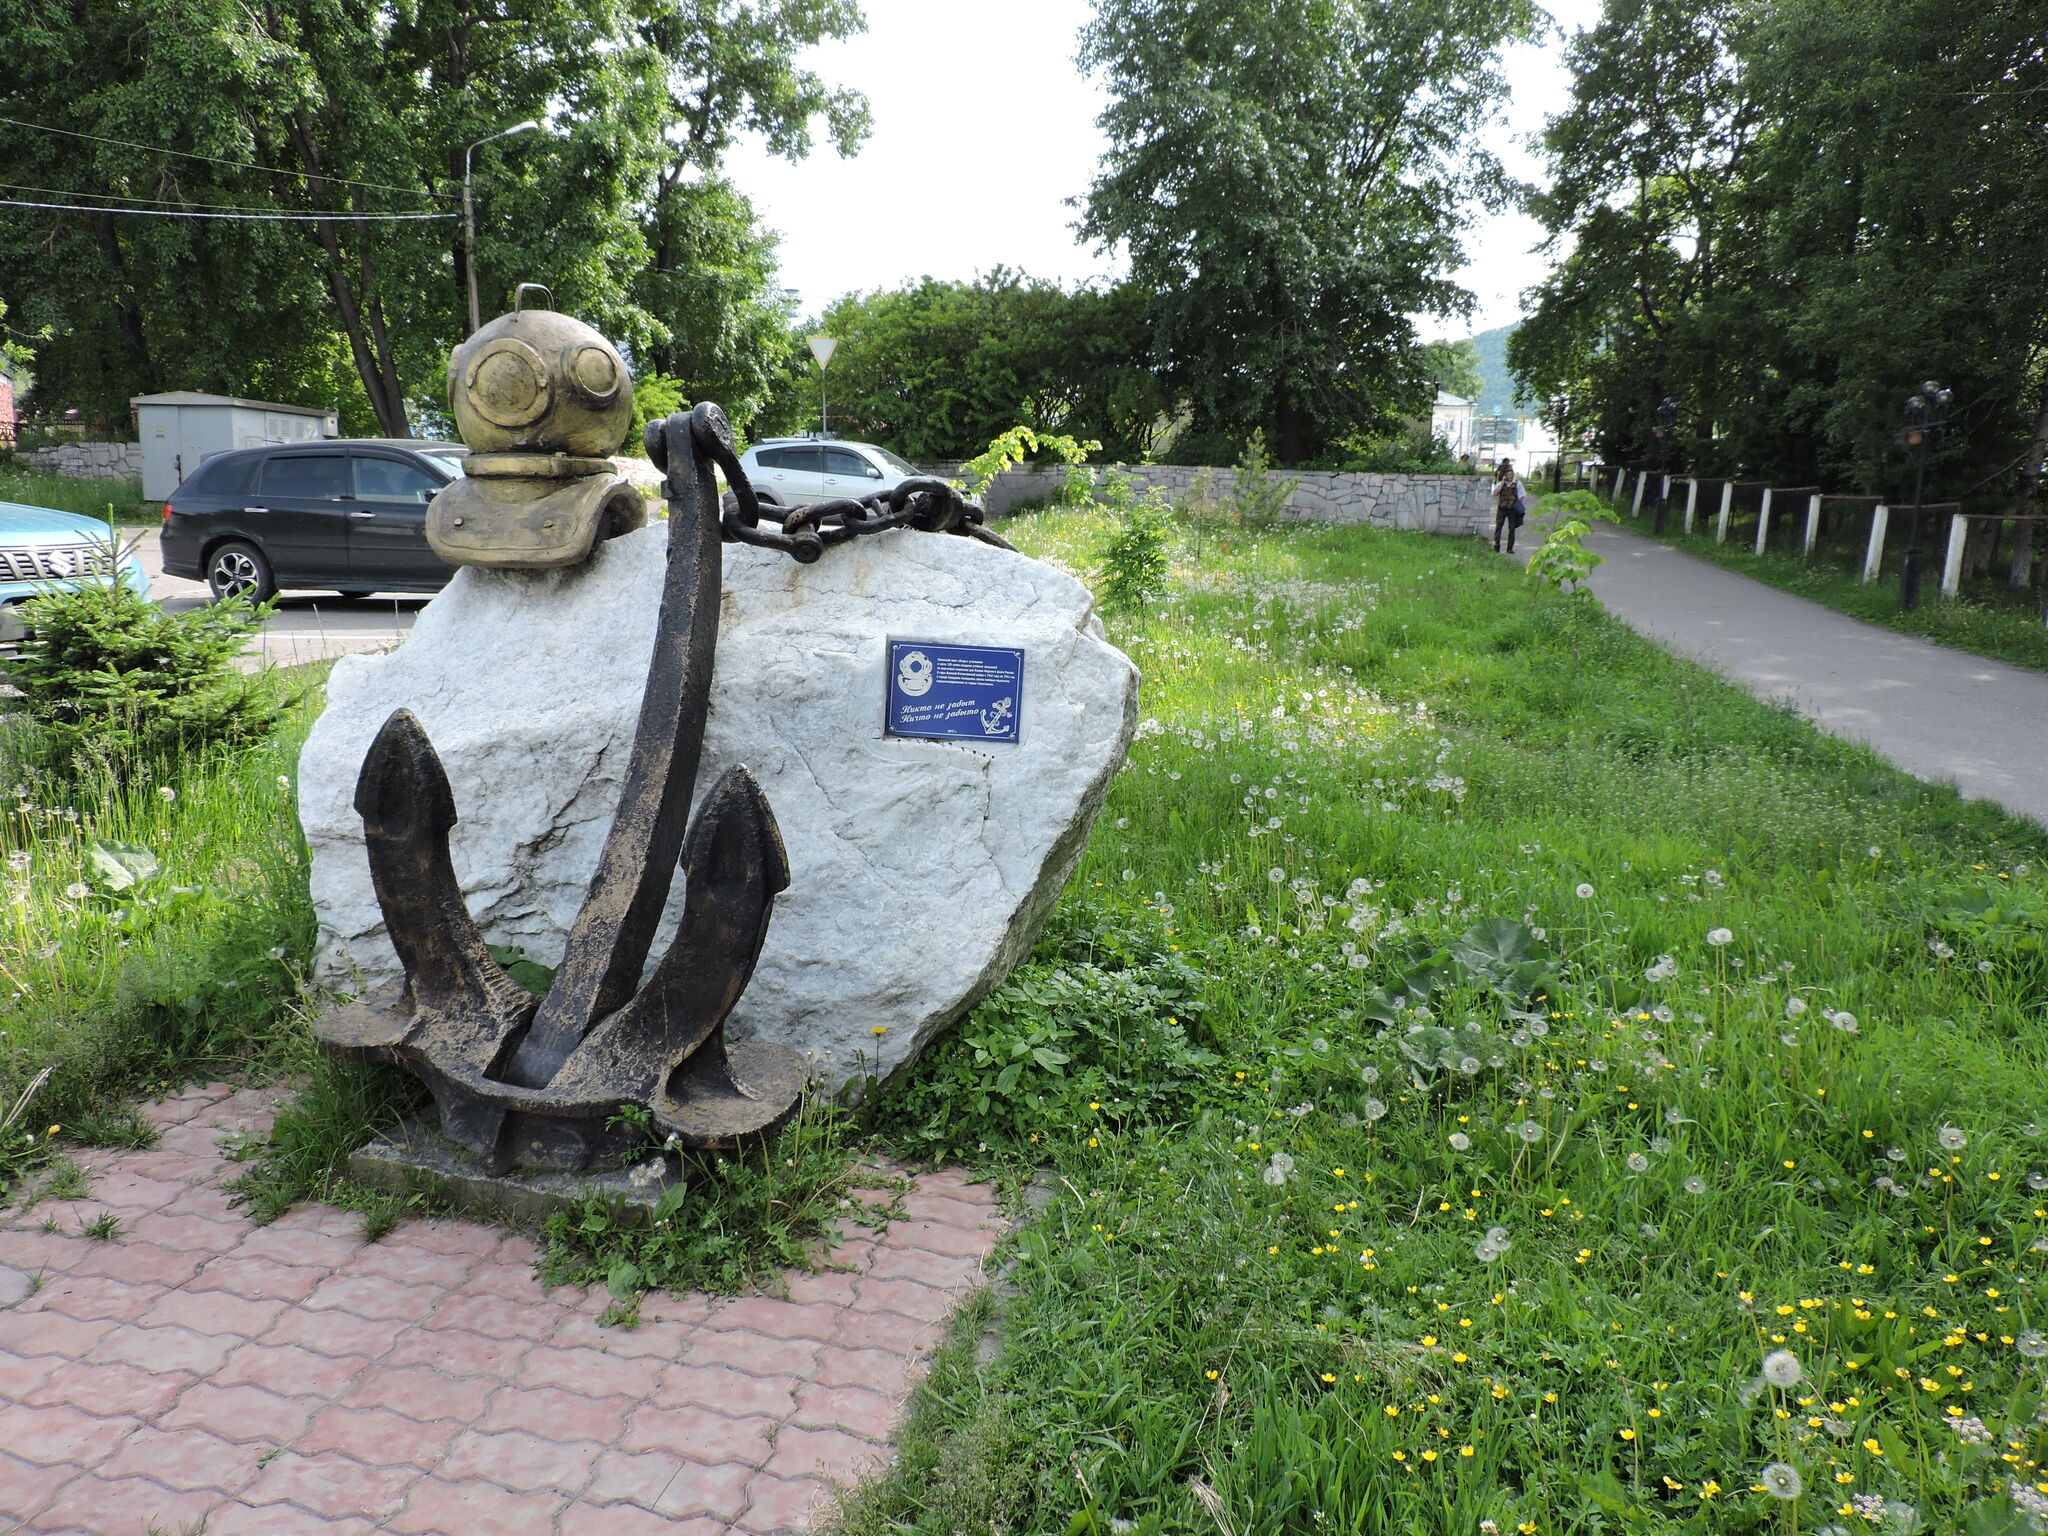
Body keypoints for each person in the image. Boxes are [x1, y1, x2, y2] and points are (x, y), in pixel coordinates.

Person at [1492, 459, 1525, 553]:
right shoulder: (1500, 484)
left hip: (1512, 509)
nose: (1510, 476)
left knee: (1512, 529)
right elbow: (1495, 493)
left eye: (1512, 474)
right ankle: (1496, 546)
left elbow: (1522, 495)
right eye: (1508, 475)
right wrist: (1502, 483)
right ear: (1505, 476)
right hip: (1502, 508)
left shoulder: (1518, 484)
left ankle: (1509, 548)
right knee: (1498, 527)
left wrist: (1517, 504)